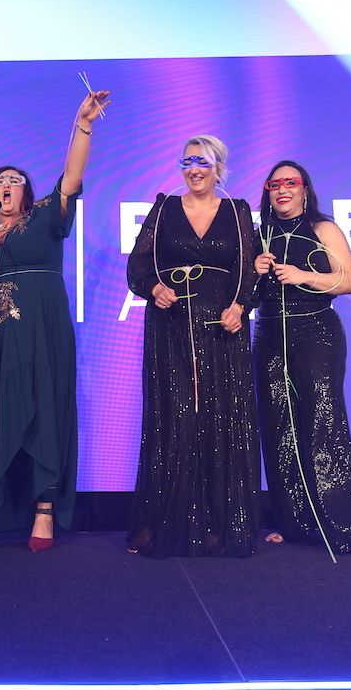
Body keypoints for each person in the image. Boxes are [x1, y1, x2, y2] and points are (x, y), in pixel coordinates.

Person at [0, 91, 111, 558]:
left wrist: (82, 125)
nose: (5, 186)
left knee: (46, 412)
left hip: (44, 331)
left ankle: (44, 509)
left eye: (14, 180)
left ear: (26, 191)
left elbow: (72, 177)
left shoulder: (45, 218)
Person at [125, 135, 261, 558]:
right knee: (175, 417)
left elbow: (249, 268)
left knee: (221, 420)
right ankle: (166, 524)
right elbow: (138, 264)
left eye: (202, 161)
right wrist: (154, 288)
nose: (194, 169)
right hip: (171, 328)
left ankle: (219, 525)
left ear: (218, 166)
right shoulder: (164, 207)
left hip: (223, 328)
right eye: (186, 162)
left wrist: (241, 306)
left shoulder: (238, 211)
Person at [253, 160, 351, 555]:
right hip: (268, 335)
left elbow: (349, 281)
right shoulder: (258, 234)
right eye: (275, 184)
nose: (282, 189)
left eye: (290, 182)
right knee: (279, 430)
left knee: (323, 424)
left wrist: (304, 276)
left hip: (316, 332)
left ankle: (350, 528)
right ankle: (295, 525)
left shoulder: (323, 228)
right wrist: (253, 271)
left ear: (305, 189)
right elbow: (245, 295)